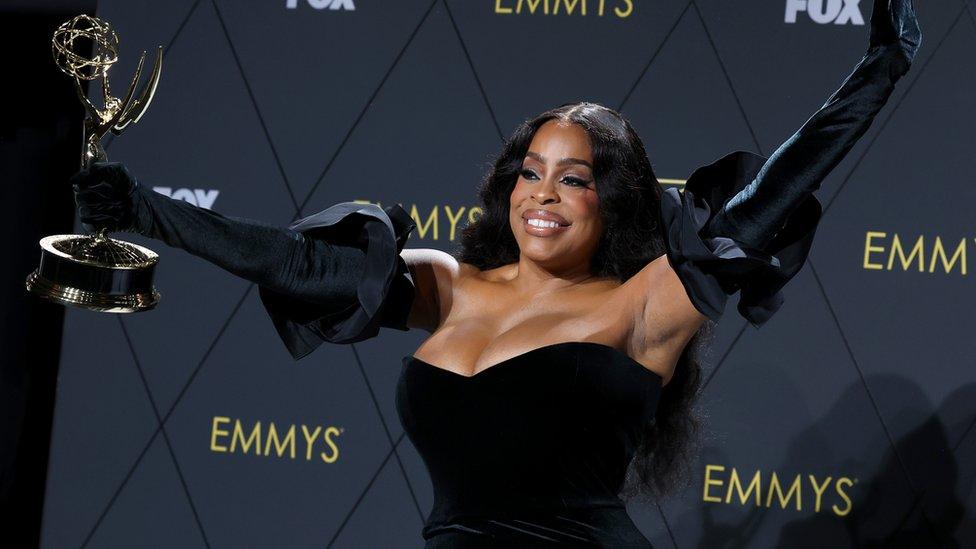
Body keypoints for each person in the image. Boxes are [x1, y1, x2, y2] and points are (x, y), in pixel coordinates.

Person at [68, 1, 920, 546]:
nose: (543, 195)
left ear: (614, 200)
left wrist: (878, 70)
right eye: (531, 171)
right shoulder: (450, 284)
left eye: (574, 177)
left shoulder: (643, 305)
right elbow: (295, 260)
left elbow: (763, 203)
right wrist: (147, 212)